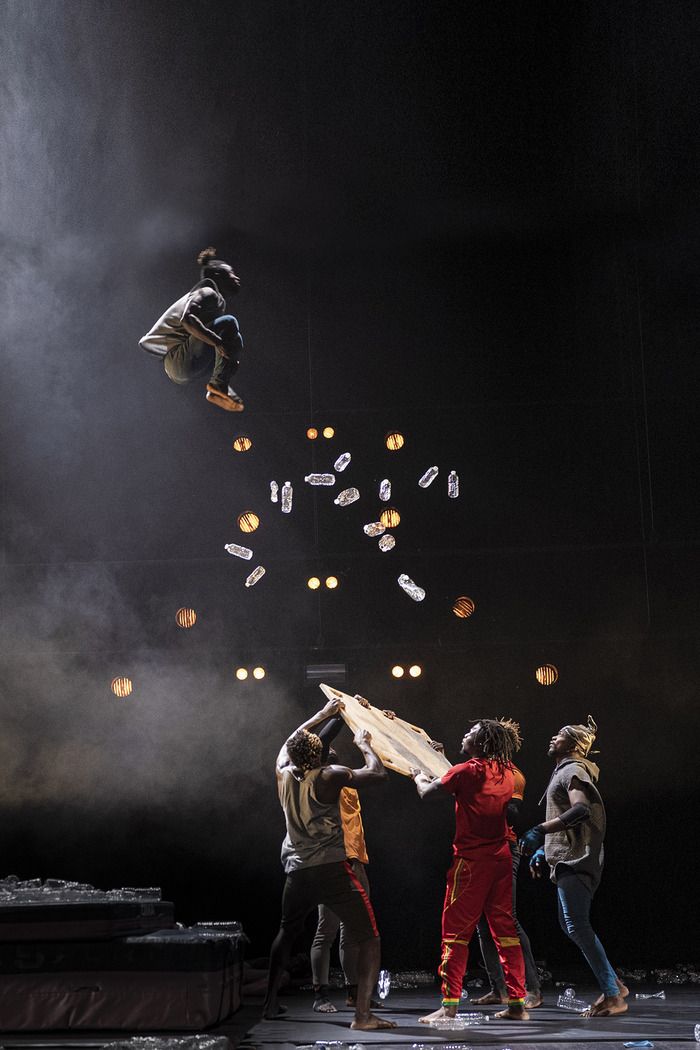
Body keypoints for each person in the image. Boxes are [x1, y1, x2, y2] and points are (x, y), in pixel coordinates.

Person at [263, 697, 395, 1031]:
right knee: (370, 937)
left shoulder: (282, 771)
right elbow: (377, 774)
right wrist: (365, 744)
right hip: (332, 869)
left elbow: (296, 737)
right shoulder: (328, 775)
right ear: (320, 754)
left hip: (297, 870)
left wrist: (324, 713)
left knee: (286, 931)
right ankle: (363, 1016)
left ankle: (269, 1005)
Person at [412, 719, 529, 1023]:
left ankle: (449, 1006)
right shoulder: (508, 772)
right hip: (501, 858)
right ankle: (517, 1004)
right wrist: (440, 761)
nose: (465, 734)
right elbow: (467, 783)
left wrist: (417, 775)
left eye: (471, 733)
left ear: (481, 744)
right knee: (505, 932)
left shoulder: (467, 771)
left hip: (471, 862)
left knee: (455, 933)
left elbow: (428, 793)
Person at [519, 716, 628, 1018]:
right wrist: (545, 848)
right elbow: (569, 817)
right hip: (567, 857)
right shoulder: (565, 771)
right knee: (571, 927)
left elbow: (580, 810)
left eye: (561, 734)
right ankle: (615, 985)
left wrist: (540, 830)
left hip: (577, 859)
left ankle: (613, 994)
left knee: (577, 926)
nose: (553, 737)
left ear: (576, 745)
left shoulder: (574, 770)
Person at [139, 247, 245, 412]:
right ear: (218, 276)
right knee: (229, 323)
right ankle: (219, 385)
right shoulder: (208, 291)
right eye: (231, 274)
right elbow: (187, 320)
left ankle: (218, 388)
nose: (236, 277)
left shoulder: (216, 301)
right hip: (178, 359)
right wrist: (217, 342)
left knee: (234, 344)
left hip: (182, 369)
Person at [472, 762, 542, 1008]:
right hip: (478, 849)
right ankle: (498, 989)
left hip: (503, 847)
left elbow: (512, 812)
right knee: (482, 922)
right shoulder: (475, 769)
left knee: (507, 919)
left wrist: (486, 791)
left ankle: (532, 988)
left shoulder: (511, 774)